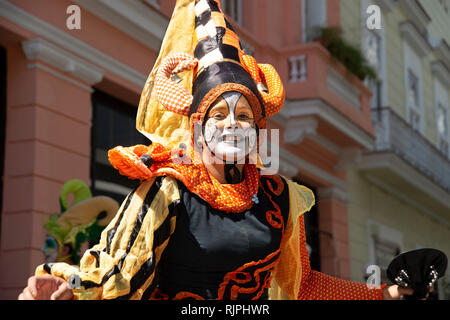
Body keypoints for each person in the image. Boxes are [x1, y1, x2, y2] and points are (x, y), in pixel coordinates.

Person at [19, 0, 415, 300]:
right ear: (197, 126)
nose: (232, 124)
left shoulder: (280, 198)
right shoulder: (168, 190)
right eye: (219, 113)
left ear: (258, 131)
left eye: (244, 115)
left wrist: (382, 293)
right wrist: (71, 283)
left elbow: (302, 284)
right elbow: (118, 272)